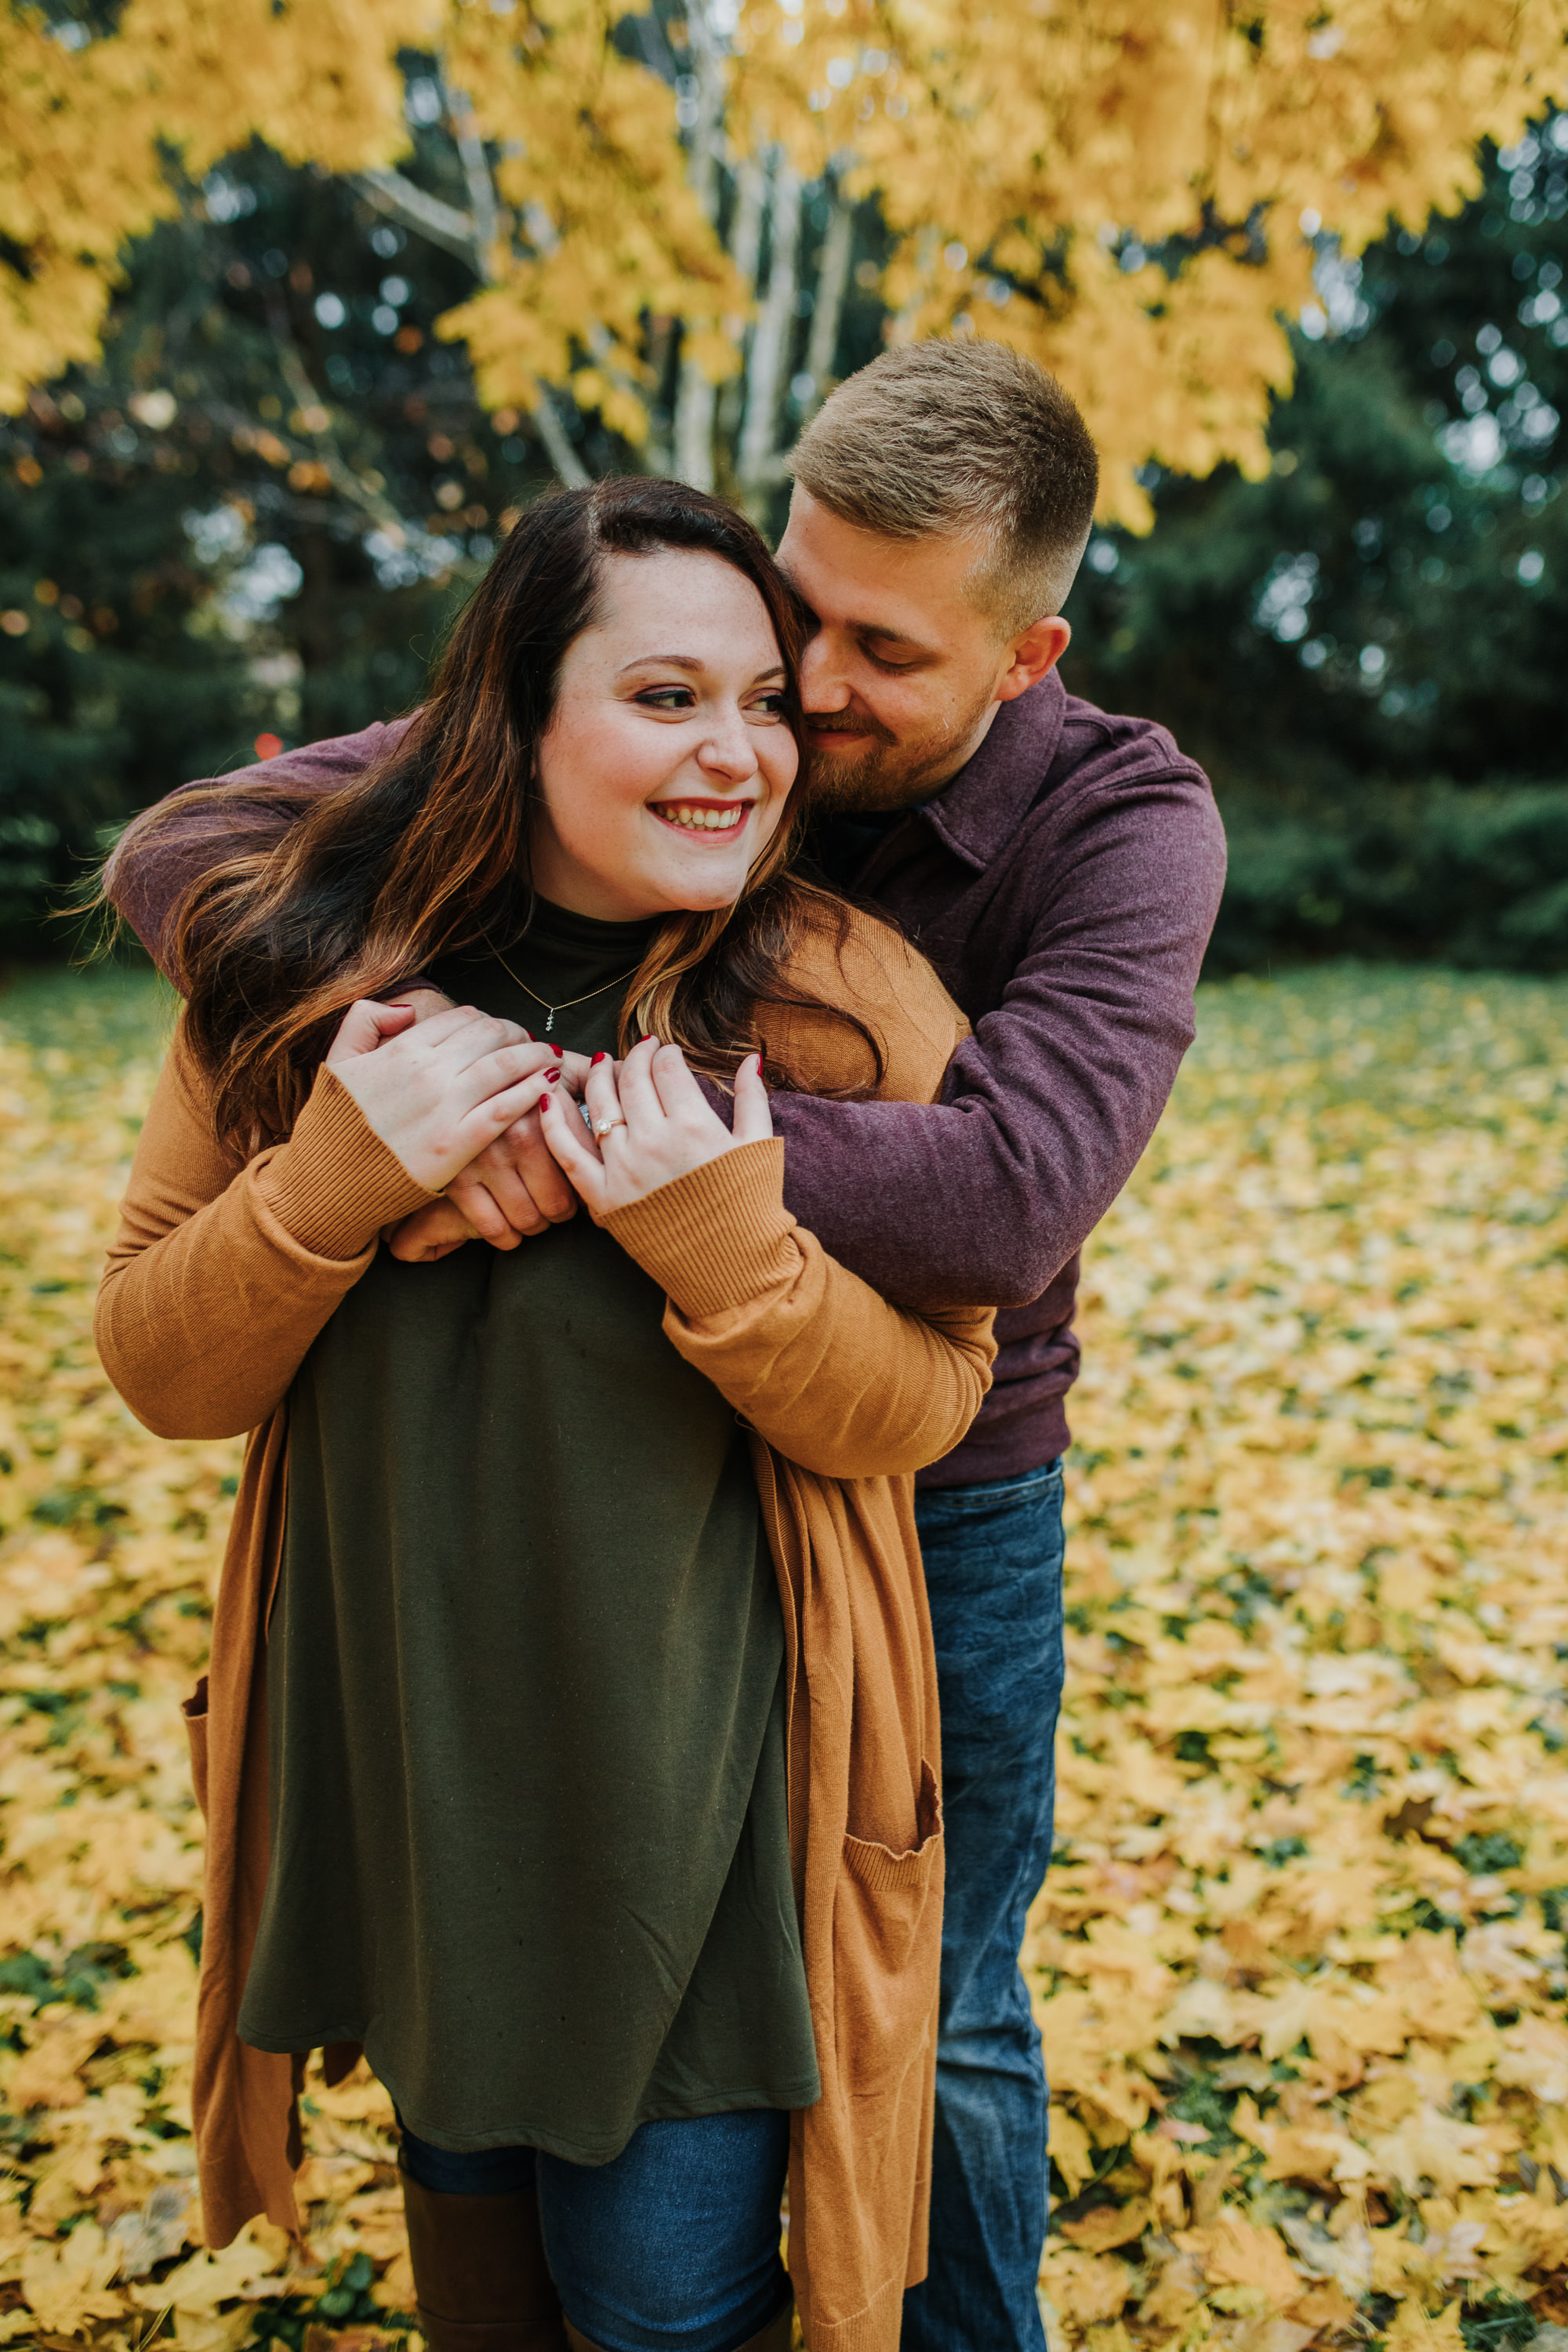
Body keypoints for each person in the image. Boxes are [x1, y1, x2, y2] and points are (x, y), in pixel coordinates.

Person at [105, 340, 1229, 2352]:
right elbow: (186, 863)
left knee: (930, 2011)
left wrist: (621, 1130)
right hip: (442, 1648)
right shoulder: (476, 827)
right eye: (767, 627)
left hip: (909, 1526)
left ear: (1024, 656)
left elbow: (999, 1209)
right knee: (494, 2202)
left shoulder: (1089, 838)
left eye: (859, 659)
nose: (786, 703)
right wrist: (358, 1143)